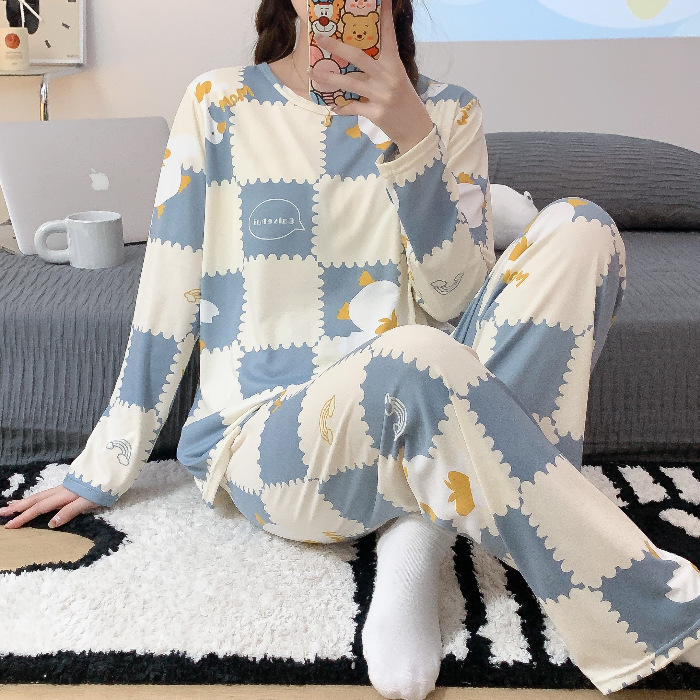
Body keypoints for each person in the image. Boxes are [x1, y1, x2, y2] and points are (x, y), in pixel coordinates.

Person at [2, 0, 700, 698]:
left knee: (581, 228)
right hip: (273, 437)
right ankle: (651, 601)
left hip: (429, 392)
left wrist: (412, 139)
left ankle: (418, 539)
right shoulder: (219, 102)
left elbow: (457, 299)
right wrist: (105, 463)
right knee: (416, 356)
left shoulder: (448, 112)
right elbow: (168, 285)